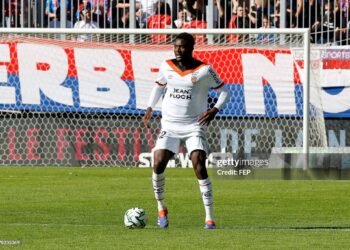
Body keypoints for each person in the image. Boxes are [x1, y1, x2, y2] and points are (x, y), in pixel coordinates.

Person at [143, 32, 230, 229]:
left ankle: (209, 217)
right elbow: (158, 86)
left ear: (191, 48)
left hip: (193, 125)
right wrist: (149, 107)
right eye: (175, 46)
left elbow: (225, 91)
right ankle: (161, 208)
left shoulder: (205, 70)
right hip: (170, 125)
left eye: (182, 47)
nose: (178, 50)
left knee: (199, 163)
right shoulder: (167, 65)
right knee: (158, 163)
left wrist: (215, 109)